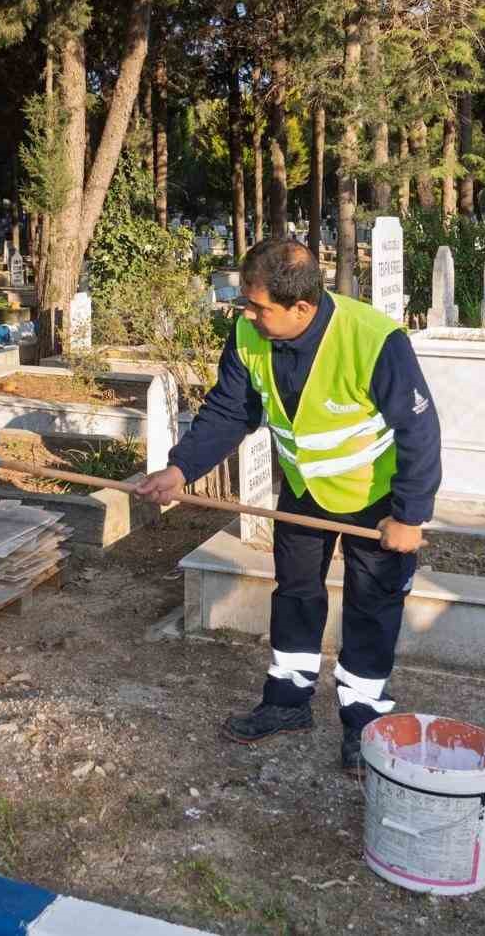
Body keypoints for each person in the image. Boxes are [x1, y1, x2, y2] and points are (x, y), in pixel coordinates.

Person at [135, 238, 441, 775]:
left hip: (377, 500)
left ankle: (364, 720)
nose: (247, 317)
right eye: (246, 304)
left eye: (259, 308)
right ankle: (286, 702)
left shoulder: (374, 339)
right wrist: (181, 467)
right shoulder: (249, 336)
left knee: (372, 608)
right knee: (296, 594)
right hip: (303, 490)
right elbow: (231, 410)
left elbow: (419, 430)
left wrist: (410, 516)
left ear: (302, 307)